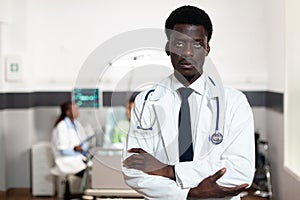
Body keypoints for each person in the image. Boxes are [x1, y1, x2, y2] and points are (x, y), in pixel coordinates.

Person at [122, 5, 255, 200]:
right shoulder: (146, 101)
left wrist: (169, 171)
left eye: (197, 44)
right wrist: (189, 195)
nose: (188, 53)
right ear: (168, 47)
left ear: (208, 48)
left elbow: (240, 172)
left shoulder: (234, 102)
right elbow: (134, 169)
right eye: (179, 44)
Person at [51, 101, 89, 176]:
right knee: (89, 173)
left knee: (93, 167)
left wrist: (81, 149)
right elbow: (63, 151)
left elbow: (80, 141)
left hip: (76, 158)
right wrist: (78, 151)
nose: (78, 111)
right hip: (66, 161)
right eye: (75, 109)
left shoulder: (76, 124)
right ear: (68, 112)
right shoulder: (61, 126)